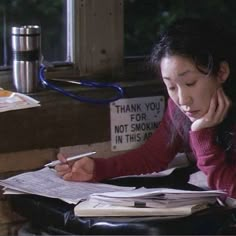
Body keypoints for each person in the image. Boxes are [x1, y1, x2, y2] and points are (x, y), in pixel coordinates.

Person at [55, 17, 236, 198]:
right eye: (171, 87)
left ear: (221, 72)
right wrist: (98, 168)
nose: (182, 99)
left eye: (190, 83)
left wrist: (202, 137)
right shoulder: (178, 107)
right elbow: (154, 155)